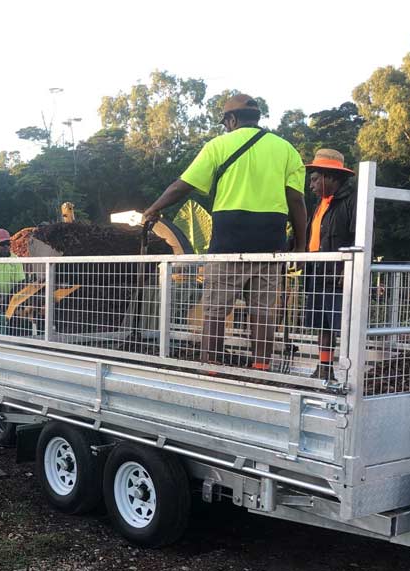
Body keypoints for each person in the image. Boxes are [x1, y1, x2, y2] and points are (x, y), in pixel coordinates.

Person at [142, 94, 307, 372]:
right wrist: (301, 246)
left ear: (231, 120)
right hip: (270, 241)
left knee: (216, 310)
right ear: (256, 118)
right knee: (263, 312)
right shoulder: (286, 149)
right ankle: (261, 369)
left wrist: (154, 209)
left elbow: (183, 185)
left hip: (229, 239)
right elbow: (296, 201)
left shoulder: (218, 145)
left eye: (226, 123)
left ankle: (212, 368)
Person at [303, 149, 356, 380]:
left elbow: (360, 237)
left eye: (315, 179)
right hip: (318, 270)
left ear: (330, 176)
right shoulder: (321, 205)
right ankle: (324, 367)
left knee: (340, 324)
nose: (311, 185)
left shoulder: (350, 201)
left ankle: (346, 372)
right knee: (322, 322)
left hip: (337, 273)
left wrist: (347, 269)